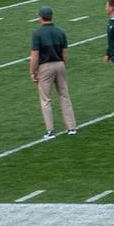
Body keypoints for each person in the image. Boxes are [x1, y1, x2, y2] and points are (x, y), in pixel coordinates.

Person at [27, 7, 77, 139]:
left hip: (45, 66)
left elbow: (35, 55)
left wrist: (32, 72)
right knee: (64, 96)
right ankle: (71, 127)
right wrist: (62, 65)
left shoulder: (37, 33)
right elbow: (65, 52)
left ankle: (50, 130)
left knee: (46, 99)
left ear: (41, 17)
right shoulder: (60, 31)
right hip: (60, 64)